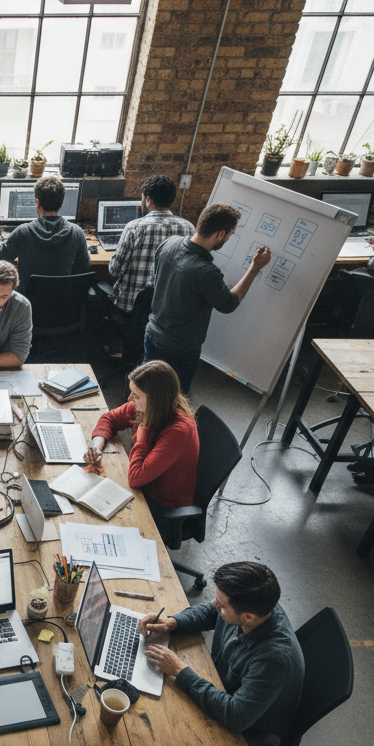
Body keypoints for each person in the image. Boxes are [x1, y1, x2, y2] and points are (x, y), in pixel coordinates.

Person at [140, 562, 304, 746]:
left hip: (247, 728)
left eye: (222, 604)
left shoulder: (272, 660)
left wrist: (180, 670)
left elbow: (236, 716)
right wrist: (174, 622)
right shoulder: (256, 605)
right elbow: (213, 612)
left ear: (248, 617)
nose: (214, 604)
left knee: (156, 726)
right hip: (222, 685)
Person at [144, 202, 271, 393]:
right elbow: (228, 304)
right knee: (174, 406)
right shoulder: (206, 271)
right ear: (220, 234)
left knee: (147, 393)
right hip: (179, 349)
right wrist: (254, 268)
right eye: (231, 233)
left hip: (152, 333)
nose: (229, 238)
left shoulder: (169, 243)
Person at [85, 360, 199, 527]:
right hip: (143, 485)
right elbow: (110, 418)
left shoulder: (179, 432)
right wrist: (97, 446)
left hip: (160, 504)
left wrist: (143, 433)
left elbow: (136, 478)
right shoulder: (146, 407)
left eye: (136, 396)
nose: (130, 398)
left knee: (97, 519)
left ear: (155, 400)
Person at [107, 174, 195, 313]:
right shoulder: (188, 228)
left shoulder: (134, 227)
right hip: (166, 311)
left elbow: (115, 270)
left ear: (147, 200)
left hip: (131, 308)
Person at [0, 174, 90, 285]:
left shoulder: (23, 232)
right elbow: (84, 267)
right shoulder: (77, 233)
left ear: (37, 204)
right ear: (61, 205)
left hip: (25, 300)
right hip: (63, 299)